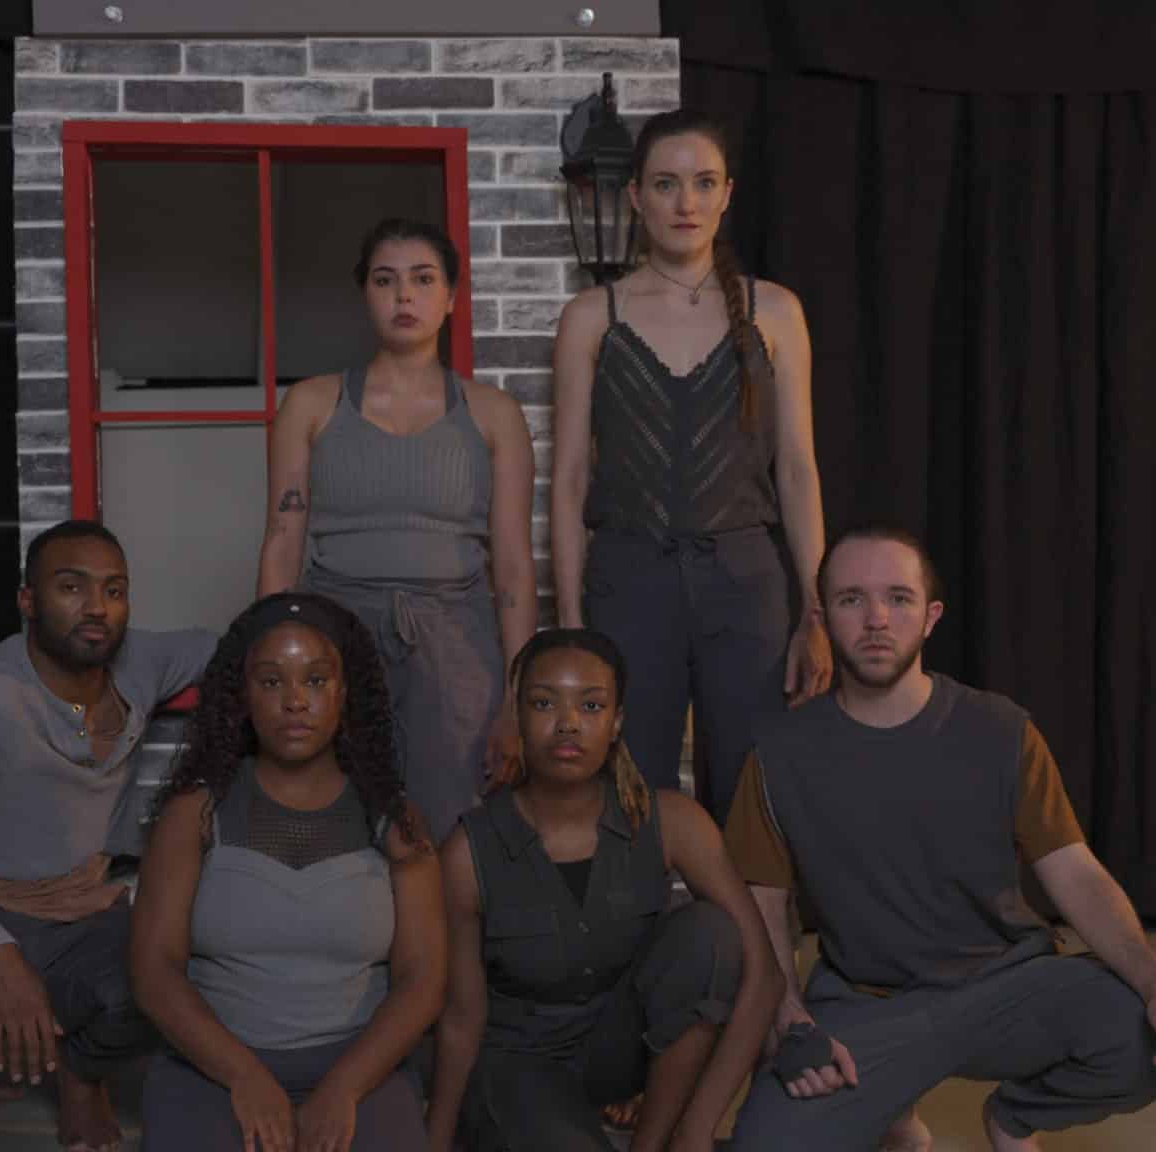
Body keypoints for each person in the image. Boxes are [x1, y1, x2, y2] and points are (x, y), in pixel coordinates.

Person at [722, 527, 1156, 1151]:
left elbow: (1075, 873)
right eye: (851, 599)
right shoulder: (779, 754)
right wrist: (791, 1019)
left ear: (931, 618)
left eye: (898, 598)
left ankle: (1014, 1119)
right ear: (821, 618)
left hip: (1006, 987)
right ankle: (893, 1114)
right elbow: (761, 906)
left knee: (1151, 1036)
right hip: (869, 1003)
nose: (876, 619)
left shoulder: (999, 730)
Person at [0, 520, 217, 1152]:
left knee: (184, 966)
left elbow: (236, 647)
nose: (96, 607)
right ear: (28, 601)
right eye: (71, 587)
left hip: (87, 917)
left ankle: (81, 1076)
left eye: (114, 590)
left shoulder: (139, 661)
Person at [550, 108, 831, 824]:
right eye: (666, 184)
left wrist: (815, 609)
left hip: (745, 578)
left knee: (753, 783)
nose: (686, 202)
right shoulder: (592, 316)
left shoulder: (776, 311)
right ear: (635, 197)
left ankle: (749, 907)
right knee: (626, 783)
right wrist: (573, 623)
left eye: (704, 183)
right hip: (628, 575)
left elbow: (798, 470)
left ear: (727, 194)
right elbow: (572, 478)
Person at [428, 628, 781, 1152]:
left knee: (711, 934)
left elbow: (764, 975)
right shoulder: (468, 851)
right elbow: (461, 1019)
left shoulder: (673, 821)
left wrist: (696, 1128)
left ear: (616, 723)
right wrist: (435, 1139)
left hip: (617, 1054)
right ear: (517, 718)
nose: (568, 722)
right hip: (519, 1064)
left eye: (591, 706)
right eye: (544, 703)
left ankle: (652, 1140)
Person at [130, 592, 447, 1152]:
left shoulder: (393, 818)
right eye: (271, 681)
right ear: (243, 696)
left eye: (316, 680)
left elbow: (422, 979)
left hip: (359, 1067)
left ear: (343, 693)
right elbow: (154, 971)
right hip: (213, 1063)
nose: (295, 701)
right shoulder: (194, 812)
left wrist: (344, 1088)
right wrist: (244, 1077)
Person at [258, 217, 537, 841]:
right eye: (385, 280)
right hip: (336, 638)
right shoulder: (312, 403)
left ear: (452, 297)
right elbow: (281, 541)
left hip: (456, 645)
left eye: (423, 279)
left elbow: (515, 568)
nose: (404, 295)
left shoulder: (494, 415)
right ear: (365, 294)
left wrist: (516, 697)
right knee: (340, 827)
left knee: (454, 833)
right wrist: (271, 662)